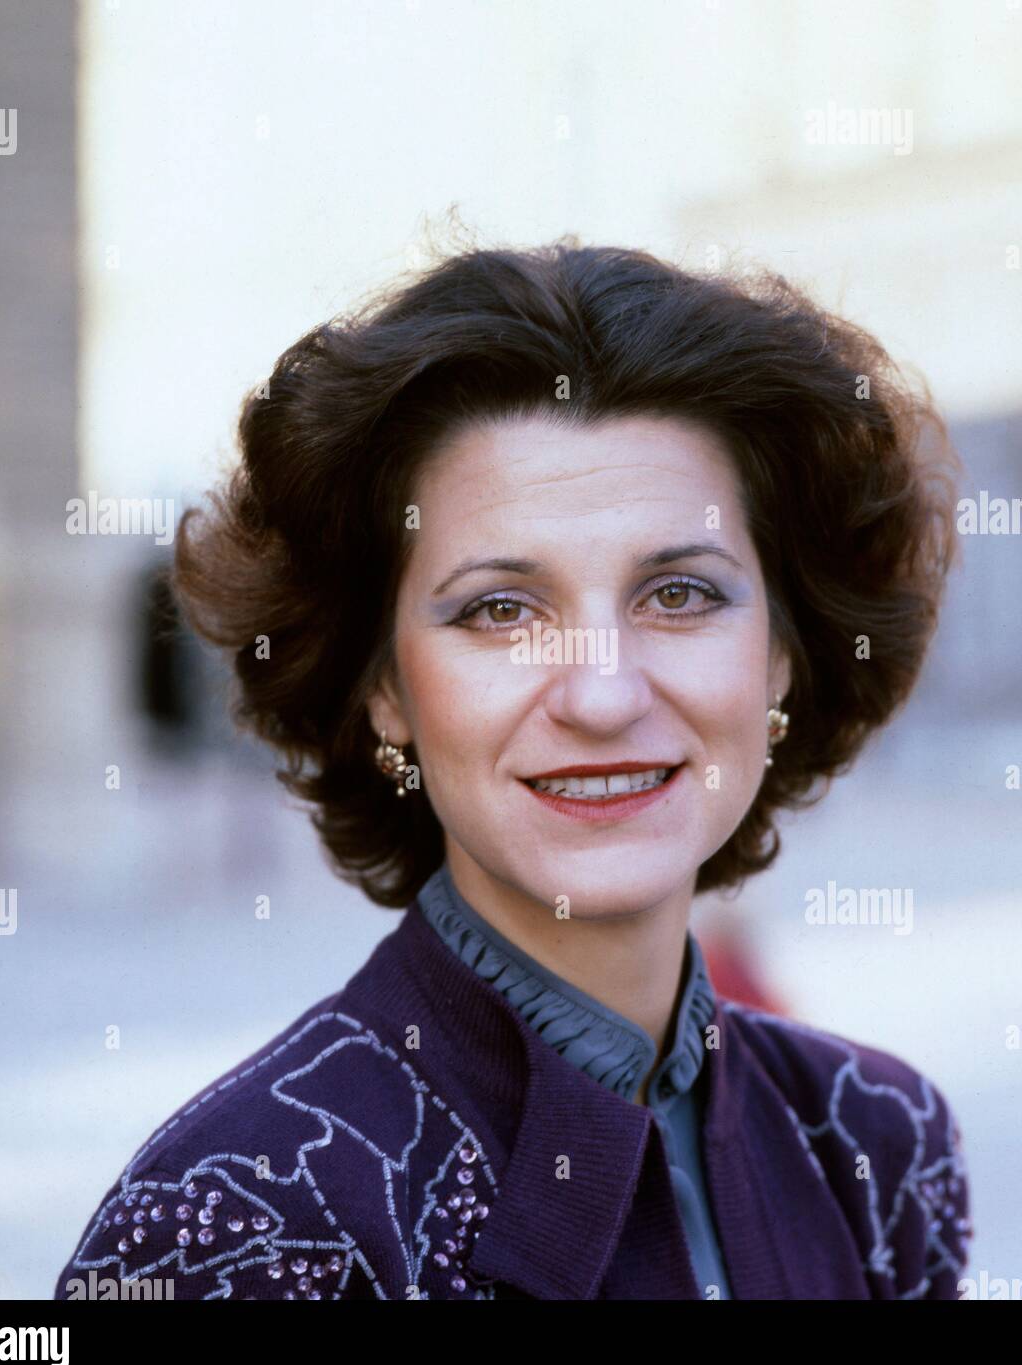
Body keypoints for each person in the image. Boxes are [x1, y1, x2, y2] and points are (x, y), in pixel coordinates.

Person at [54, 239, 971, 1300]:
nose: (601, 693)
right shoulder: (241, 1223)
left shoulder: (878, 1144)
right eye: (499, 609)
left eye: (678, 594)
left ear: (780, 654)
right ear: (383, 685)